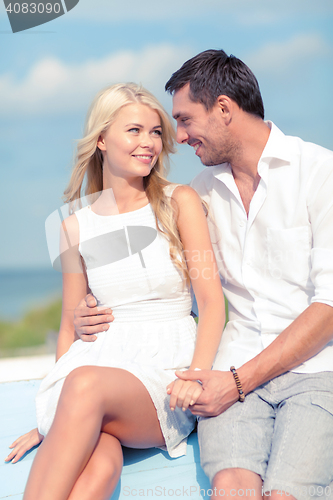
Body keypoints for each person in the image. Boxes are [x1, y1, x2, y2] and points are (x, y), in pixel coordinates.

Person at [73, 51, 333, 500]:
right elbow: (161, 275)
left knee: (286, 495)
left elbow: (329, 306)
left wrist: (236, 382)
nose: (179, 137)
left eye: (185, 120)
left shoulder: (320, 173)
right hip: (230, 368)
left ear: (225, 109)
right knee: (230, 489)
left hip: (316, 372)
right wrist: (87, 310)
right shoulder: (201, 192)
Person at [5, 82, 225, 500]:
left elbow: (212, 304)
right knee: (99, 469)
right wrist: (54, 415)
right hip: (94, 374)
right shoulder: (74, 227)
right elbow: (70, 327)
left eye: (156, 131)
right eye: (135, 131)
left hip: (164, 371)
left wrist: (196, 377)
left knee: (85, 385)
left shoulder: (180, 202)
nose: (149, 143)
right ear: (102, 139)